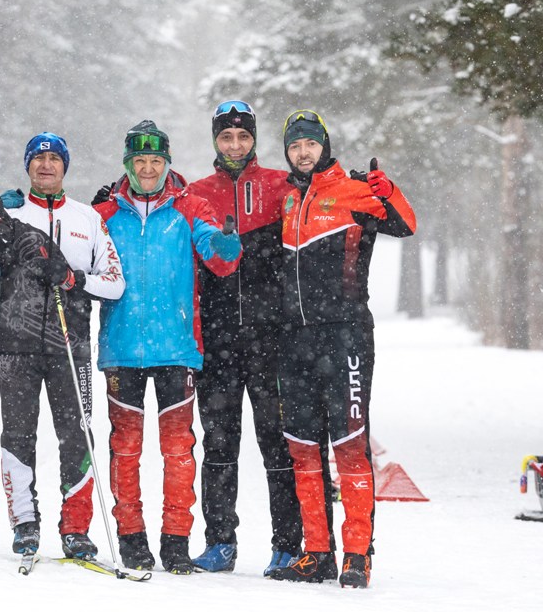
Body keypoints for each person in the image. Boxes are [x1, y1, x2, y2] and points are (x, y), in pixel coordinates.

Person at [269, 110, 416, 588]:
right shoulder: (289, 199)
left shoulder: (353, 191)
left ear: (325, 146)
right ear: (288, 152)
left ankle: (357, 553)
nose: (303, 152)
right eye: (295, 146)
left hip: (346, 334)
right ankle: (318, 553)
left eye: (311, 144)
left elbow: (405, 224)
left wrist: (385, 189)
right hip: (296, 340)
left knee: (350, 446)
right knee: (303, 448)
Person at [93, 120, 242, 574]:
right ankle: (131, 535)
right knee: (126, 449)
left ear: (167, 162)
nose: (149, 168)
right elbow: (70, 249)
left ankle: (176, 538)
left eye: (156, 160)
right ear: (127, 164)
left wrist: (223, 242)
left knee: (179, 449)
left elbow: (219, 261)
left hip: (177, 346)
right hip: (122, 347)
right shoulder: (104, 212)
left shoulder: (191, 207)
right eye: (140, 160)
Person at [0, 133, 125, 560]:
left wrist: (73, 278)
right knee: (17, 435)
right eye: (38, 159)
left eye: (55, 159)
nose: (46, 166)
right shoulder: (13, 211)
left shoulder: (88, 219)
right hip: (16, 344)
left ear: (65, 167)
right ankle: (24, 524)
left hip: (70, 346)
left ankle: (76, 529)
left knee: (77, 437)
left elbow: (115, 284)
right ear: (28, 166)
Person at [185, 100, 303, 575]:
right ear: (215, 140)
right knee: (218, 442)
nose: (235, 144)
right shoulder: (197, 192)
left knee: (276, 441)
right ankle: (220, 543)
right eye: (226, 137)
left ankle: (288, 542)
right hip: (218, 341)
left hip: (271, 339)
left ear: (255, 139)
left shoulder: (281, 184)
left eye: (243, 136)